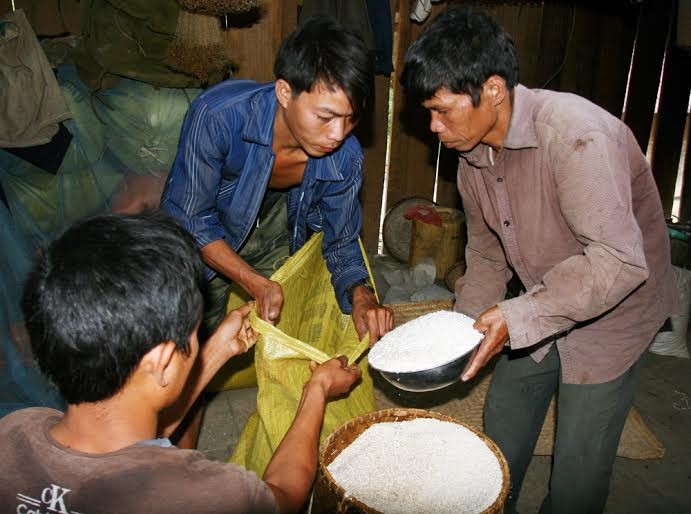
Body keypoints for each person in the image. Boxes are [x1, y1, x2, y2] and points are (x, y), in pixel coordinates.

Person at [400, 7, 678, 514]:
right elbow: (485, 254)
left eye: (442, 110)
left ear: (494, 90)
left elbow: (619, 261)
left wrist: (518, 316)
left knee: (578, 471)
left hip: (616, 311)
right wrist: (461, 330)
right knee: (501, 426)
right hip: (545, 292)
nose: (433, 126)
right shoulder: (471, 157)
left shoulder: (575, 137)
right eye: (428, 112)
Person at [0, 212, 362, 514]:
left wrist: (215, 350)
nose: (197, 339)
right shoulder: (199, 493)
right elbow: (284, 493)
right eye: (193, 334)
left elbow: (134, 432)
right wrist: (316, 391)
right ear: (161, 359)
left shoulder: (13, 434)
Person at [161, 17, 393, 346]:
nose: (338, 135)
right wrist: (253, 281)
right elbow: (190, 217)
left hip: (278, 223)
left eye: (350, 118)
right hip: (201, 228)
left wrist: (361, 294)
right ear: (285, 92)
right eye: (325, 117)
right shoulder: (218, 116)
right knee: (186, 339)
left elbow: (341, 239)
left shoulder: (345, 156)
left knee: (278, 330)